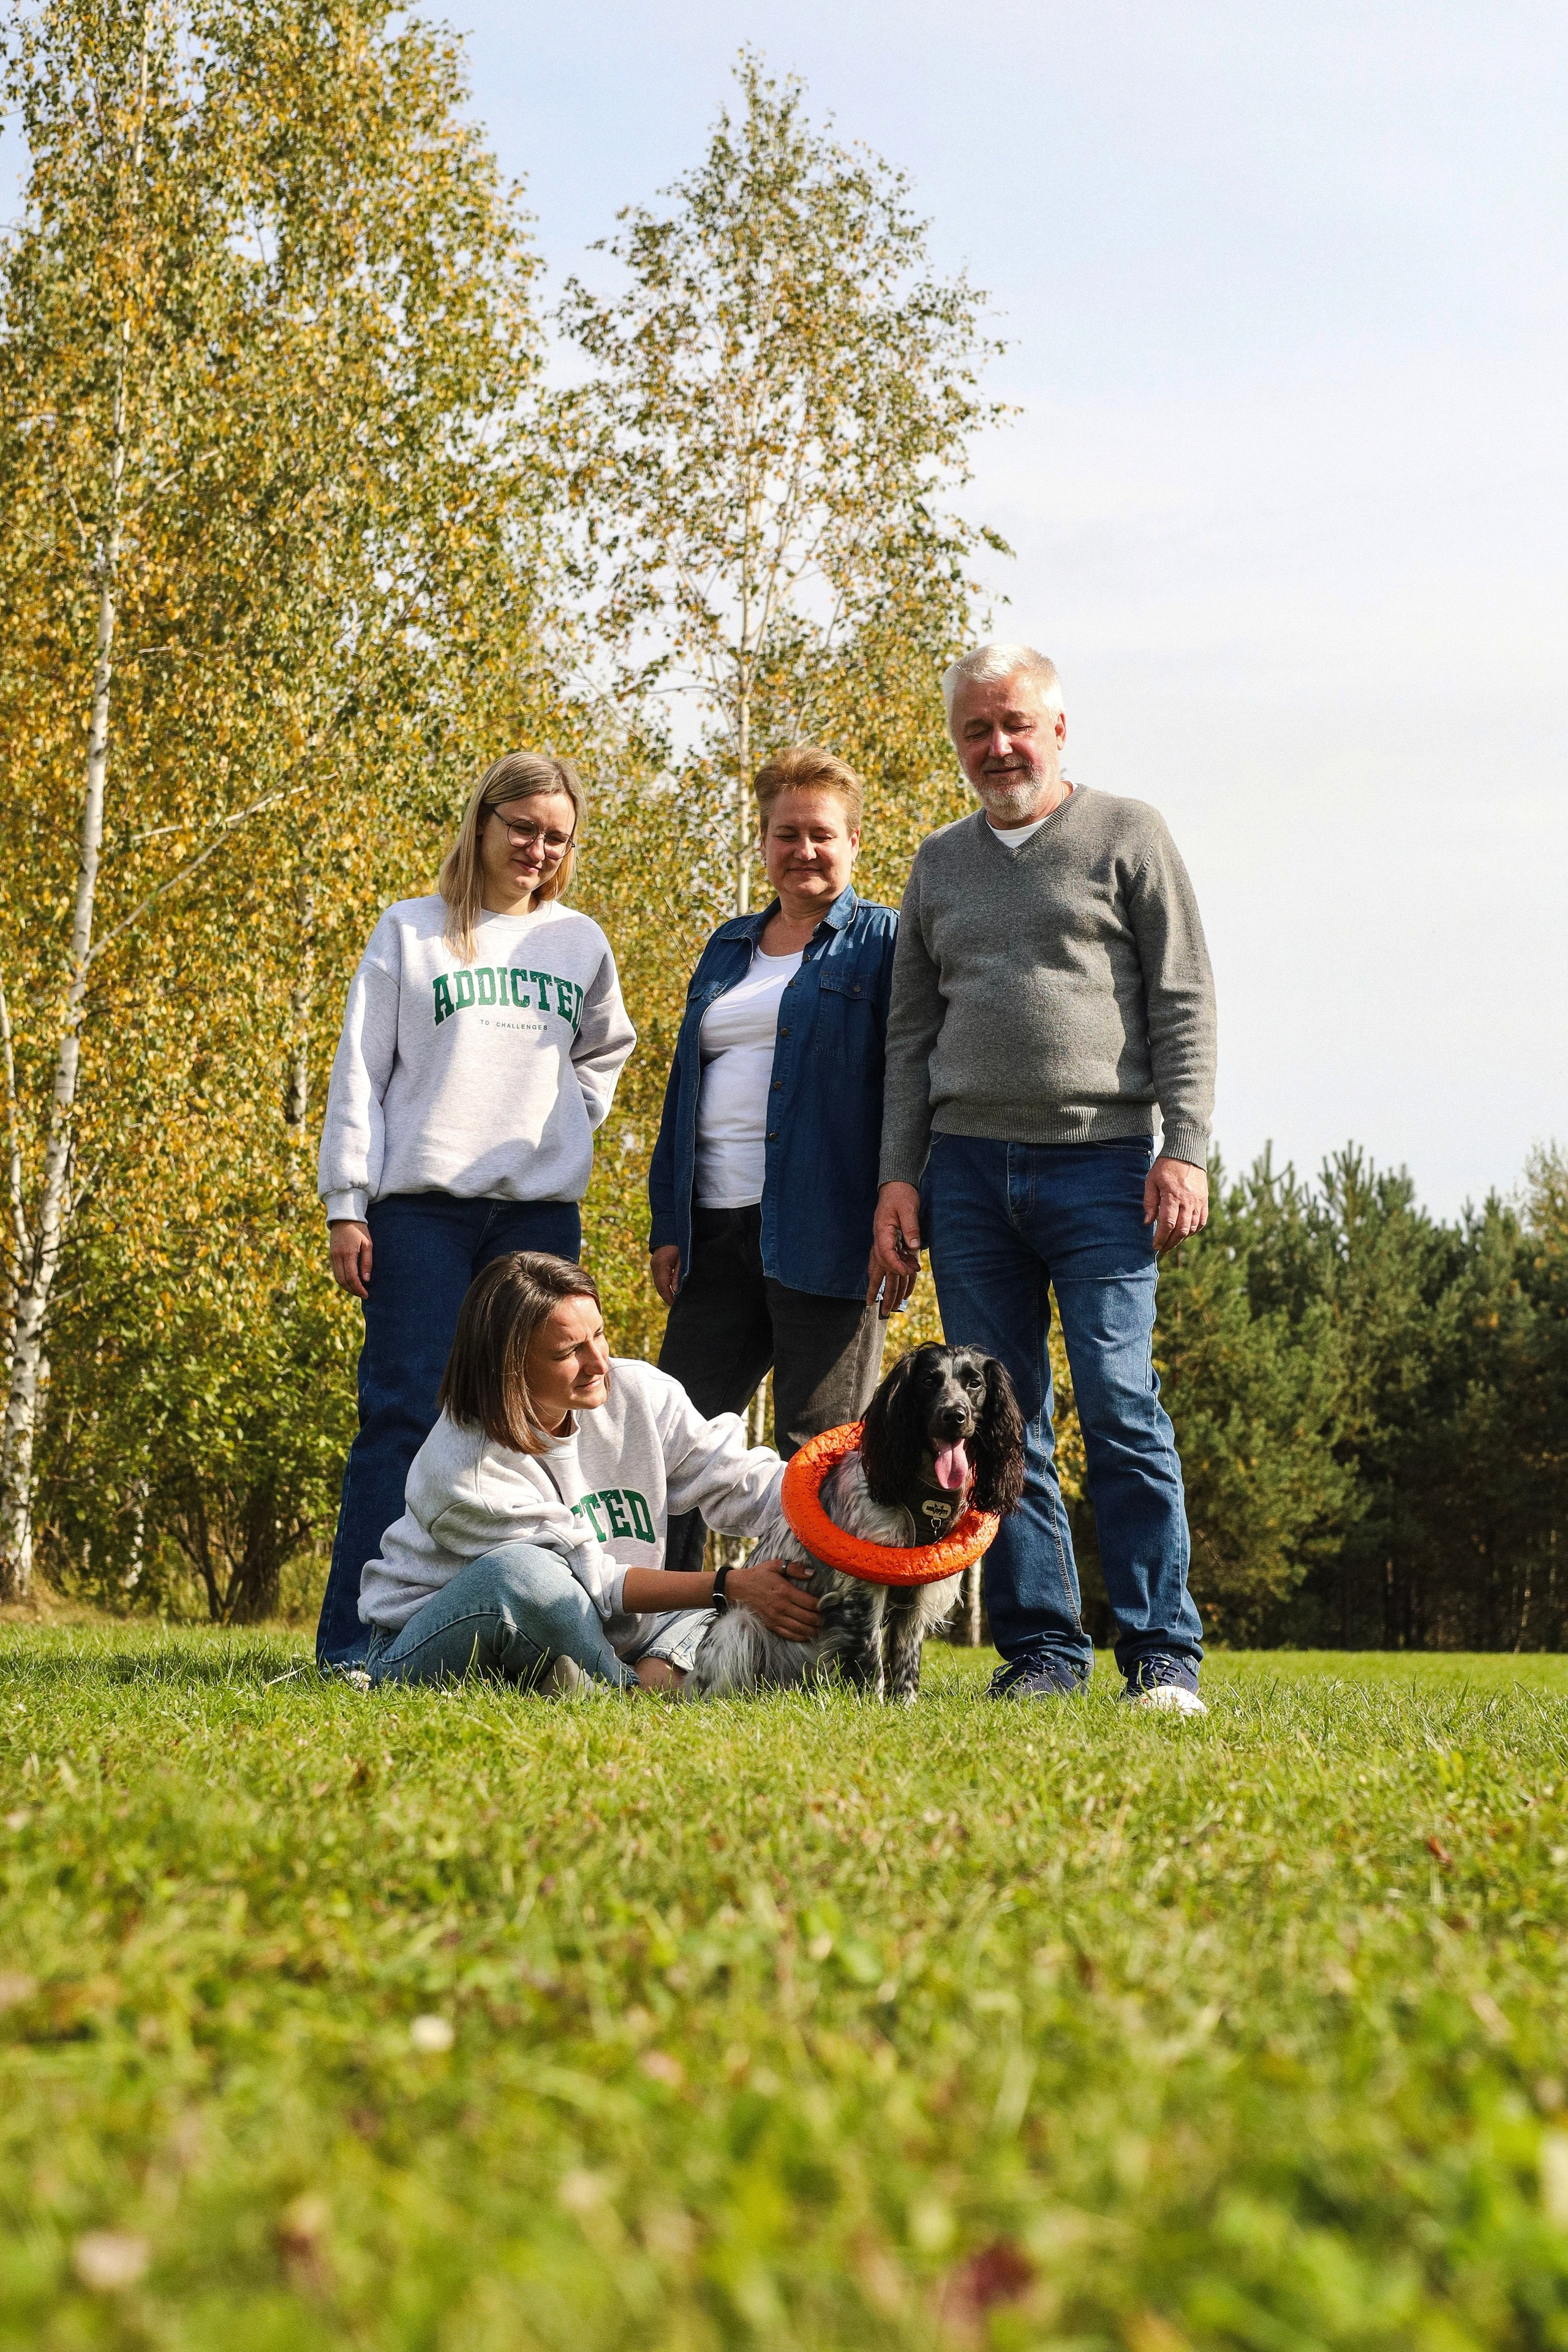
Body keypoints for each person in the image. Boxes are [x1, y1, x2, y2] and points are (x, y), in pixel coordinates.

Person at [868, 644, 1216, 1713]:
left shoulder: (1128, 835)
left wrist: (1186, 1146)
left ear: (1058, 728)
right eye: (976, 730)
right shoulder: (938, 863)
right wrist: (899, 1178)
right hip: (968, 1176)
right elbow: (911, 1032)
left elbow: (1184, 999)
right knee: (996, 1425)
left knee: (1120, 1407)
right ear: (958, 744)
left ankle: (1162, 1654)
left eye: (1016, 723)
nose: (998, 745)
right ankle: (1041, 1653)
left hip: (1103, 1167)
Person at [314, 752, 636, 1672]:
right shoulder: (411, 932)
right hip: (422, 1213)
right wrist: (348, 1202)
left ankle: (531, 1641)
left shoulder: (578, 942)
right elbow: (359, 1073)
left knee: (536, 1427)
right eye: (523, 827)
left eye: (557, 837)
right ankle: (352, 1642)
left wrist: (570, 1119)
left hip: (536, 1219)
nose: (538, 848)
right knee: (404, 1416)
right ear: (484, 821)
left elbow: (605, 1050)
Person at [647, 747, 907, 1576]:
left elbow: (912, 1083)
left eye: (822, 835)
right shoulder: (726, 948)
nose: (804, 851)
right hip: (713, 1229)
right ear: (762, 842)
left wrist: (903, 1216)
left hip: (829, 1231)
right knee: (674, 1439)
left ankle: (808, 1639)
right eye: (785, 834)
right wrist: (667, 1223)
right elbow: (682, 1089)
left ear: (855, 841)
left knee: (817, 1451)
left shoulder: (886, 944)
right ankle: (668, 1630)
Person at [361, 1252, 821, 1689]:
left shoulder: (639, 1393)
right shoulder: (465, 1473)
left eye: (598, 1335)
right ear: (508, 1365)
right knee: (523, 1574)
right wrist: (728, 1586)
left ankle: (616, 1678)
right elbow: (586, 1583)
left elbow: (738, 1480)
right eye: (569, 1352)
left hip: (616, 1629)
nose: (599, 1363)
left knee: (708, 1625)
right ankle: (622, 1691)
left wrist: (833, 1490)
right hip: (437, 1638)